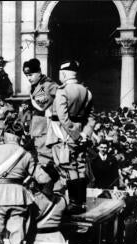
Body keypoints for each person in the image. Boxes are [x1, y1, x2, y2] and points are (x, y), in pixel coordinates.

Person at [48, 60, 95, 214]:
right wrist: (84, 134)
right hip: (82, 134)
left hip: (65, 136)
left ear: (63, 74)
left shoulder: (63, 91)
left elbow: (62, 117)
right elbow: (92, 118)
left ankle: (74, 204)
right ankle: (81, 203)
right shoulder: (87, 92)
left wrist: (74, 135)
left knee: (68, 168)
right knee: (81, 167)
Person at [22, 58, 58, 166]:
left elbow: (41, 106)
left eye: (31, 75)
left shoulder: (46, 85)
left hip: (45, 127)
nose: (29, 78)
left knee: (45, 159)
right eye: (27, 75)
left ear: (39, 72)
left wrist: (31, 100)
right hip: (38, 127)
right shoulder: (36, 86)